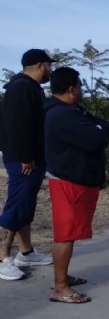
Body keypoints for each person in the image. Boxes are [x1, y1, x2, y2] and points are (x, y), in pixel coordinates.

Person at [45, 67, 109, 303]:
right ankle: (60, 287)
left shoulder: (70, 111)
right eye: (80, 87)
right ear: (72, 89)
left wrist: (100, 128)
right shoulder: (61, 115)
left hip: (76, 179)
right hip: (68, 181)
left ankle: (63, 277)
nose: (82, 91)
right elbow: (96, 137)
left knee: (70, 233)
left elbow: (103, 125)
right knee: (66, 234)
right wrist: (99, 129)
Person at [0, 49, 55, 281]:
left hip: (31, 157)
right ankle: (3, 256)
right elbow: (18, 125)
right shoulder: (21, 87)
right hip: (24, 159)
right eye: (49, 66)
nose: (51, 70)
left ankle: (26, 252)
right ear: (41, 65)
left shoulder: (29, 87)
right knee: (17, 204)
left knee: (26, 205)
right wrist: (26, 157)